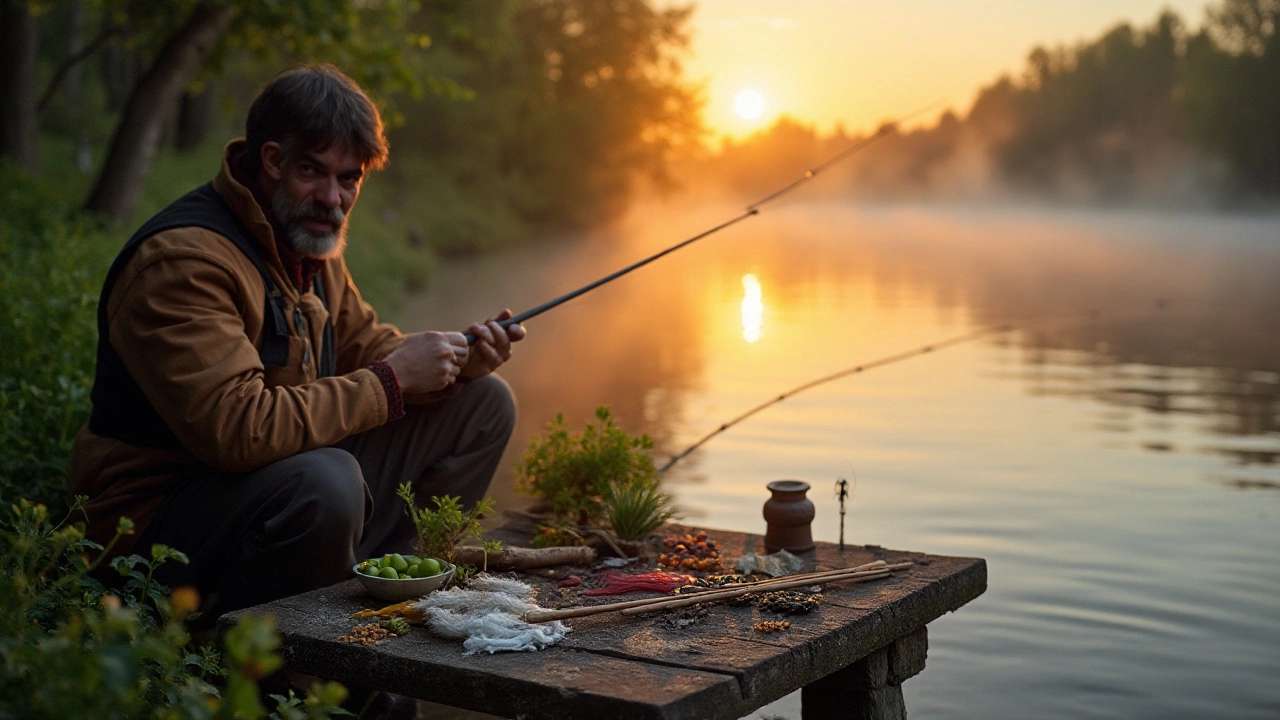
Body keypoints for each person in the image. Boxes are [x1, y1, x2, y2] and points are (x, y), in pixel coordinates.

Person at [68, 64, 525, 620]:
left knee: (483, 403)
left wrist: (459, 362)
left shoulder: (305, 242)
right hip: (156, 524)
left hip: (271, 486)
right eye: (314, 171)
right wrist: (395, 378)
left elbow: (364, 344)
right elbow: (238, 430)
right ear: (273, 160)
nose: (333, 198)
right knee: (326, 481)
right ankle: (286, 665)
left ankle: (391, 607)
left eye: (350, 179)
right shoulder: (184, 261)